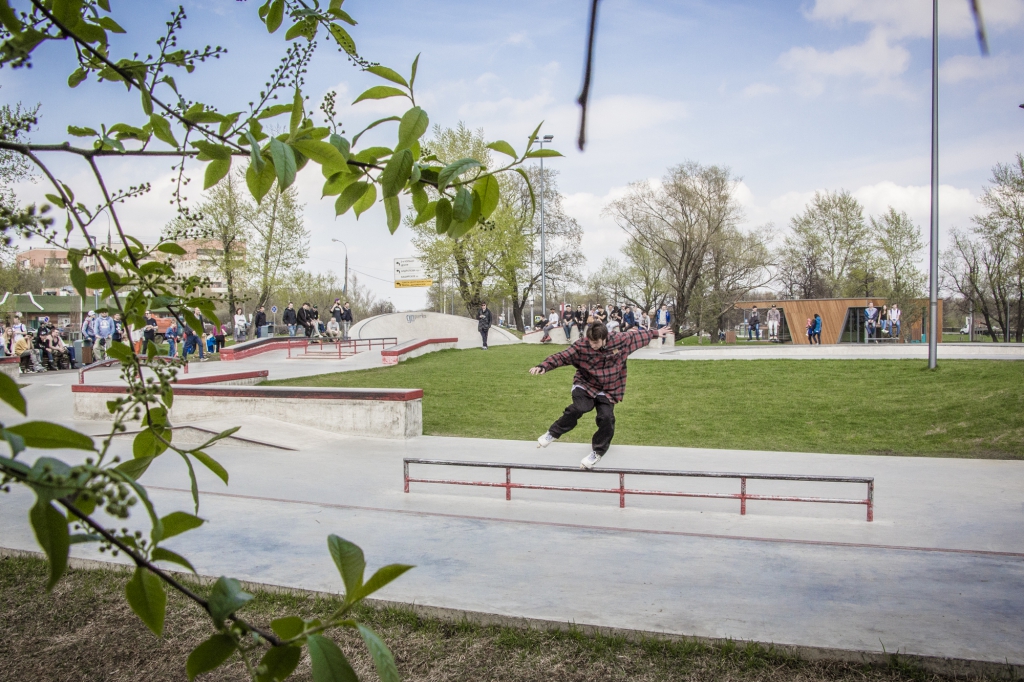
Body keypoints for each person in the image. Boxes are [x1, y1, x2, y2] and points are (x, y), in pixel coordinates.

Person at [531, 322, 667, 469]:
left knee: (607, 418)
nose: (592, 345)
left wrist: (656, 333)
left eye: (595, 342)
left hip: (608, 389)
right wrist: (544, 366)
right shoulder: (582, 346)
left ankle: (597, 452)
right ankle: (552, 433)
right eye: (590, 341)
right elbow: (562, 356)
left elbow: (637, 336)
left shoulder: (621, 340)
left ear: (604, 338)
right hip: (585, 384)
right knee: (580, 407)